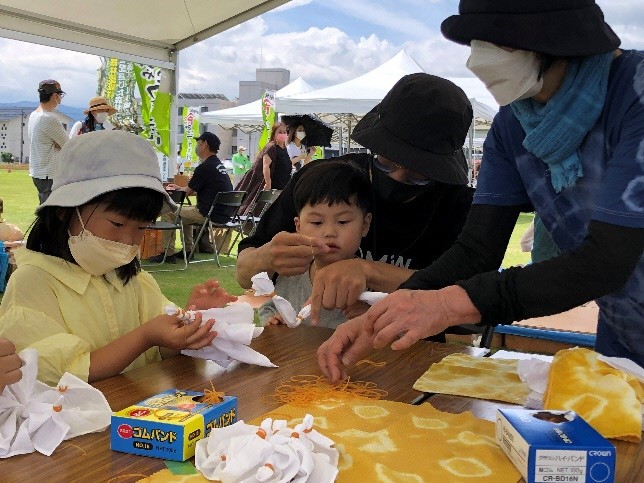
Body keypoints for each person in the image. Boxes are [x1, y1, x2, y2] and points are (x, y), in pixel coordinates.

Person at [317, 0, 644, 381]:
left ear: (557, 39)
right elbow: (477, 250)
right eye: (476, 43)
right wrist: (388, 312)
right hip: (624, 333)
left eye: (498, 44)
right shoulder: (513, 126)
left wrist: (447, 304)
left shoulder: (636, 95)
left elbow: (606, 261)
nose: (478, 61)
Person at [0, 131, 237, 386]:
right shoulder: (33, 283)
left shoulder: (132, 279)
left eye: (141, 228)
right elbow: (68, 372)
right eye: (117, 223)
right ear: (64, 211)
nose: (128, 241)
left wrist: (187, 324)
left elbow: (163, 348)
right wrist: (145, 337)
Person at [236, 73, 475, 324]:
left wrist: (369, 270)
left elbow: (471, 305)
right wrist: (268, 256)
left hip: (408, 350)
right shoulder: (323, 182)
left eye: (418, 174)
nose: (397, 176)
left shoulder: (457, 205)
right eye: (387, 162)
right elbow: (244, 274)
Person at [258, 160, 372, 328]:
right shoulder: (292, 275)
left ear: (365, 225)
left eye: (342, 221)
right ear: (298, 226)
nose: (329, 232)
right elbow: (270, 307)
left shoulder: (371, 284)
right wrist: (272, 319)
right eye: (317, 222)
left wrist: (372, 318)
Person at [148, 132, 234, 263]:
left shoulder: (204, 167)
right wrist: (179, 188)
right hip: (223, 214)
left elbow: (187, 192)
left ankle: (168, 253)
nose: (196, 146)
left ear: (204, 144)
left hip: (208, 214)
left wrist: (177, 190)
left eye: (198, 143)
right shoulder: (218, 165)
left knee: (170, 212)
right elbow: (195, 190)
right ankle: (188, 251)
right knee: (185, 214)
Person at [235, 122, 293, 215]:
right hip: (272, 187)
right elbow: (266, 165)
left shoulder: (284, 148)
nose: (283, 134)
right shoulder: (271, 147)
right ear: (274, 133)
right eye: (280, 132)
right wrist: (268, 183)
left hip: (282, 186)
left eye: (284, 132)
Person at [28, 79, 69, 204]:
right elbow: (68, 145)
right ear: (55, 96)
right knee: (51, 214)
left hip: (39, 171)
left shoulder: (34, 115)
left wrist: (58, 144)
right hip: (48, 174)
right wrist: (58, 145)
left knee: (47, 210)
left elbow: (61, 144)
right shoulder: (48, 118)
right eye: (60, 95)